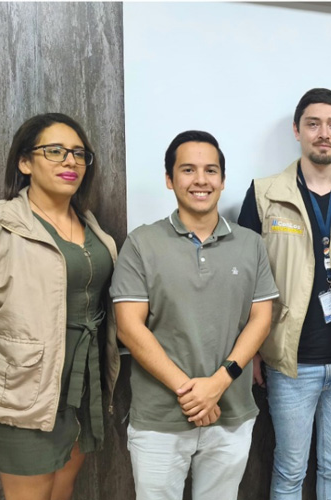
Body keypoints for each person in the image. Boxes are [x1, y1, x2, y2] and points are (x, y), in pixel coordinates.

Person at [0, 113, 119, 500]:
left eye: (78, 153)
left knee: (62, 489)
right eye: (54, 151)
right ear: (25, 163)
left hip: (80, 385)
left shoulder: (91, 226)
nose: (69, 161)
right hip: (21, 396)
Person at [111, 130, 277, 500]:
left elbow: (260, 320)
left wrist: (217, 384)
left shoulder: (250, 244)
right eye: (188, 170)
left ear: (222, 179)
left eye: (210, 170)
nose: (201, 180)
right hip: (160, 417)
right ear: (169, 179)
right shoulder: (141, 243)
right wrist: (190, 393)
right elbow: (129, 327)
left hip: (231, 411)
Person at [238, 88, 331, 500]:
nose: (324, 133)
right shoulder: (265, 192)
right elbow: (247, 275)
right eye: (314, 124)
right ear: (297, 131)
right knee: (289, 469)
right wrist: (249, 352)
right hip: (289, 359)